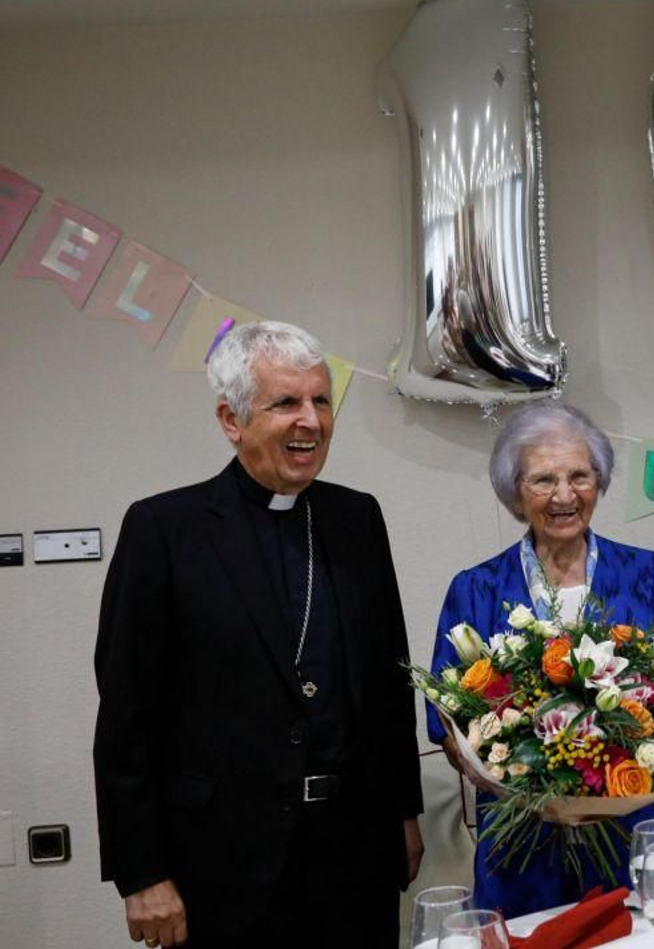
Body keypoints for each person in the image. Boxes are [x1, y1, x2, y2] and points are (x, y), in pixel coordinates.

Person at [93, 322, 424, 949]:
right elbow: (126, 720)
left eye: (321, 400)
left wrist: (402, 813)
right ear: (231, 419)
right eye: (286, 403)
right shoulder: (165, 530)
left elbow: (389, 680)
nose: (312, 421)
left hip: (354, 856)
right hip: (220, 867)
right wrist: (142, 874)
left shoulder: (357, 518)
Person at [426, 401, 654, 917]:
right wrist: (511, 774)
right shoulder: (474, 590)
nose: (565, 495)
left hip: (638, 828)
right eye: (543, 480)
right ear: (515, 491)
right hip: (523, 842)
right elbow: (446, 722)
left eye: (579, 476)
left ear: (599, 481)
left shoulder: (649, 574)